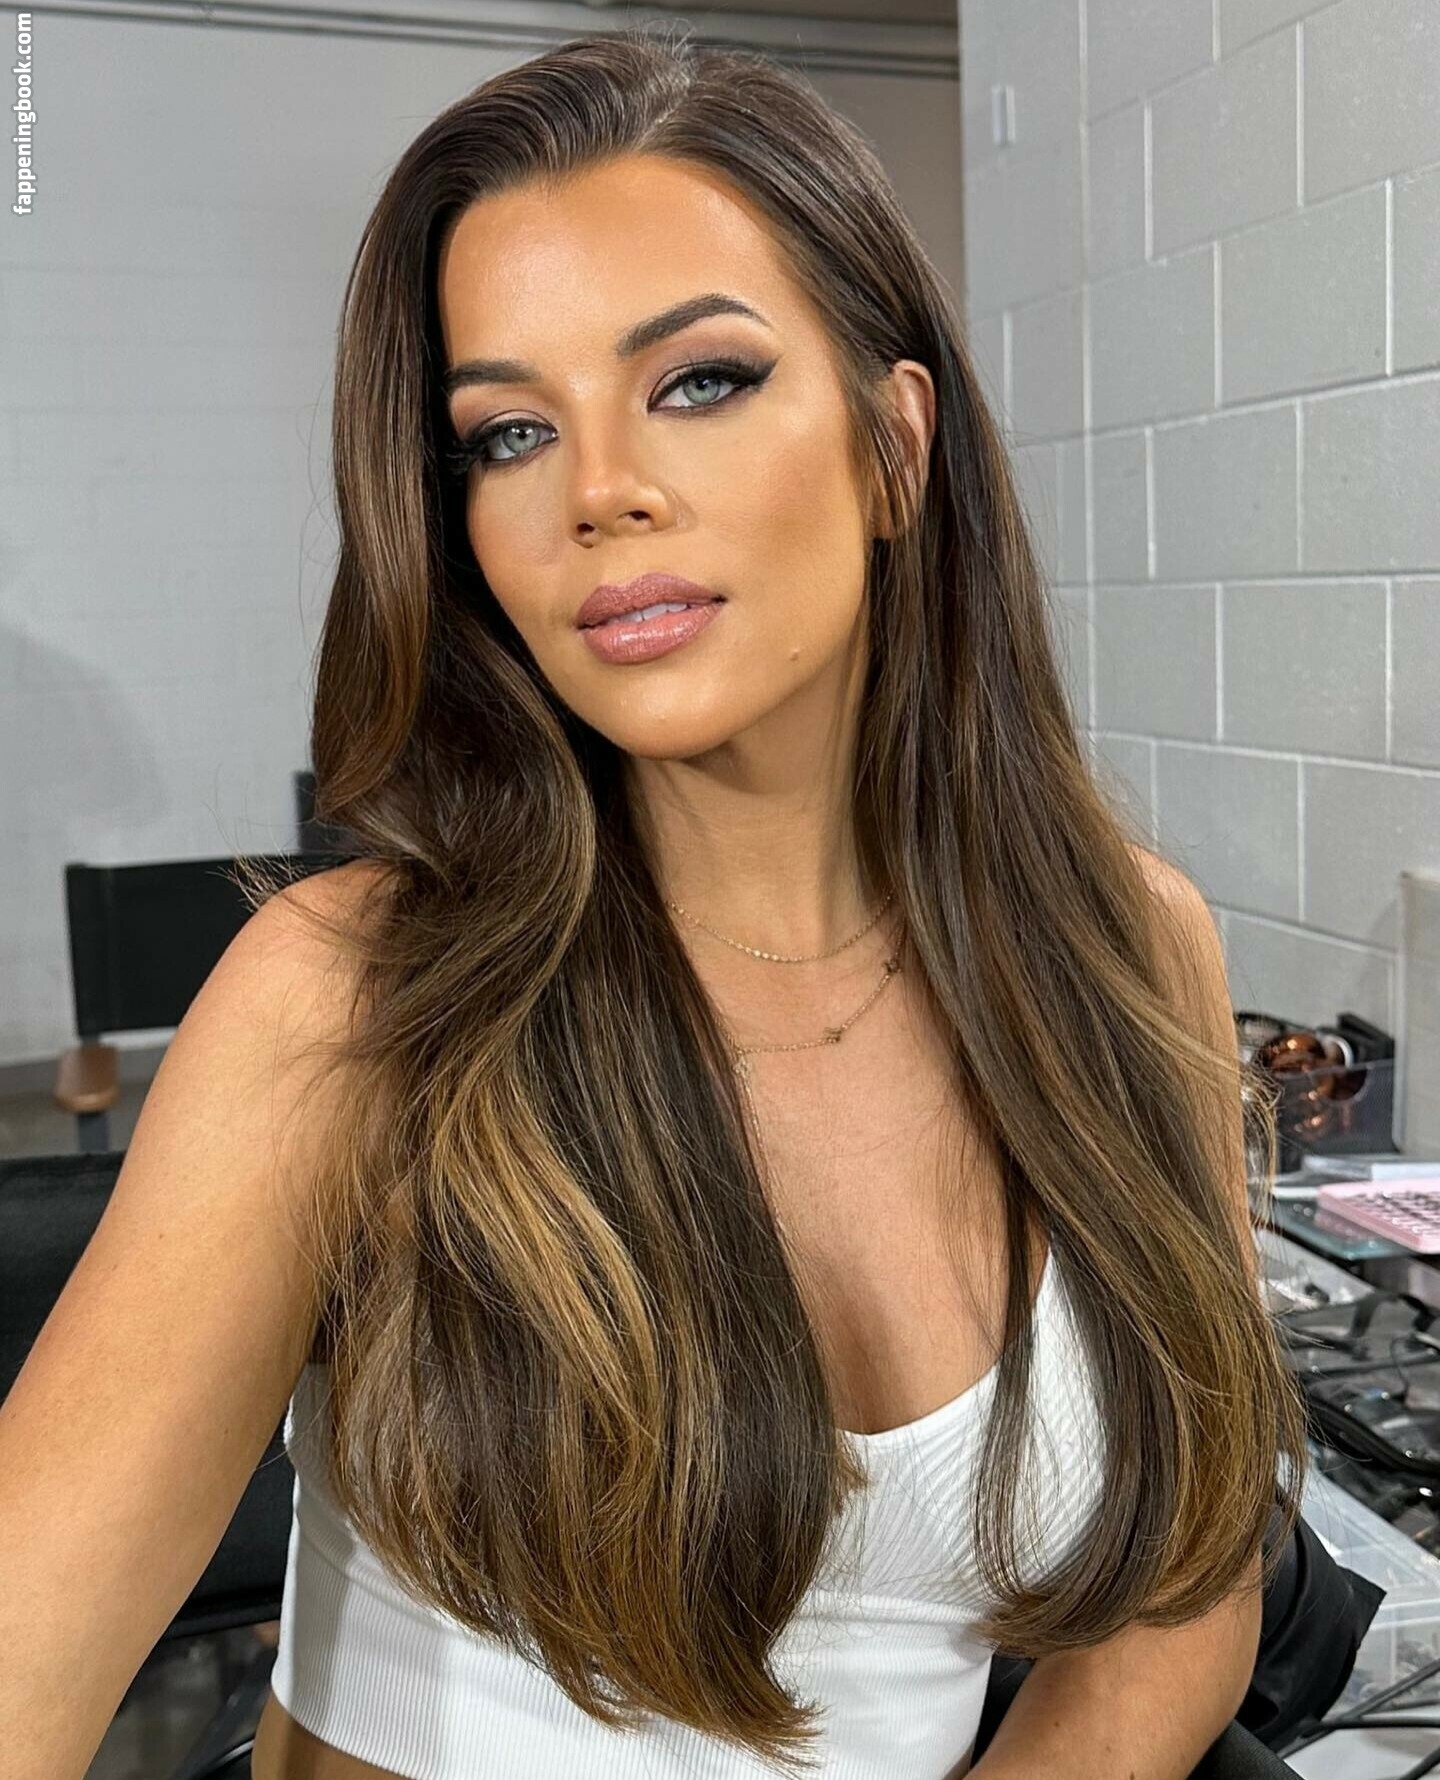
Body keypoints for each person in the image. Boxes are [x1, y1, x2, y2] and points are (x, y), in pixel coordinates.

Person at [0, 25, 1310, 1780]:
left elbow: (1183, 1589)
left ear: (895, 444)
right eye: (508, 432)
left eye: (698, 382)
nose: (597, 490)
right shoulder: (348, 1005)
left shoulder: (1127, 945)